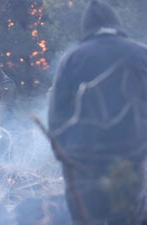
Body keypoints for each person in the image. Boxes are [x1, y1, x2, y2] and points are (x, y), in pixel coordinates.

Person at [48, 1, 147, 224]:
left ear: (87, 27)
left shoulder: (73, 58)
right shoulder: (141, 54)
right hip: (129, 157)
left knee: (86, 218)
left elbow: (57, 115)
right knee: (127, 217)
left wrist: (64, 155)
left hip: (85, 161)